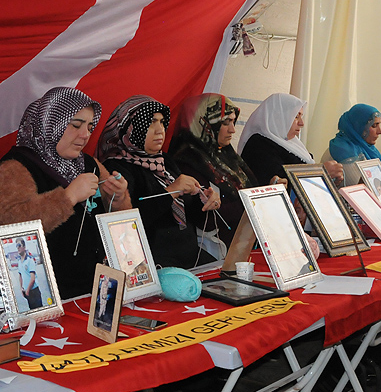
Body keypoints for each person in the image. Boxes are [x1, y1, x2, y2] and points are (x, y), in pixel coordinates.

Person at [0, 87, 131, 299]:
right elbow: (8, 229)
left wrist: (118, 199)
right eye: (75, 125)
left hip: (98, 288)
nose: (85, 135)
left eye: (90, 127)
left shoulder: (88, 164)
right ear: (50, 122)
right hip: (50, 295)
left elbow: (121, 227)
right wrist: (68, 197)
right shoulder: (15, 167)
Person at [97, 95, 220, 269]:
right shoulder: (115, 168)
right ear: (130, 128)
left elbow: (186, 218)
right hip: (150, 264)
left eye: (162, 122)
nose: (160, 130)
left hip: (188, 256)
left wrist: (204, 202)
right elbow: (125, 225)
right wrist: (170, 192)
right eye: (150, 123)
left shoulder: (164, 161)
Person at [169, 93, 263, 248]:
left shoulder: (225, 155)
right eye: (226, 123)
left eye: (233, 121)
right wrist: (250, 204)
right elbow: (205, 217)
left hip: (244, 241)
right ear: (204, 123)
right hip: (219, 248)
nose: (232, 130)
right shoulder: (188, 162)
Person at [237, 92, 344, 186]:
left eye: (301, 117)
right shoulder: (258, 146)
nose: (301, 123)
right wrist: (320, 173)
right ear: (278, 117)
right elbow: (280, 183)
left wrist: (328, 180)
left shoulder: (292, 143)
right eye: (296, 117)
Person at [326, 103, 381, 190]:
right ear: (359, 126)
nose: (380, 131)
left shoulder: (367, 149)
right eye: (374, 126)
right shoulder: (343, 150)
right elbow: (358, 191)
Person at [14, 238, 43, 310]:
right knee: (32, 310)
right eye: (16, 246)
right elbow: (20, 275)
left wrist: (27, 290)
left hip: (33, 291)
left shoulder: (29, 260)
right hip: (27, 291)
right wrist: (21, 288)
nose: (18, 248)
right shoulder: (19, 261)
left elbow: (32, 279)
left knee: (38, 310)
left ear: (24, 247)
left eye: (19, 245)